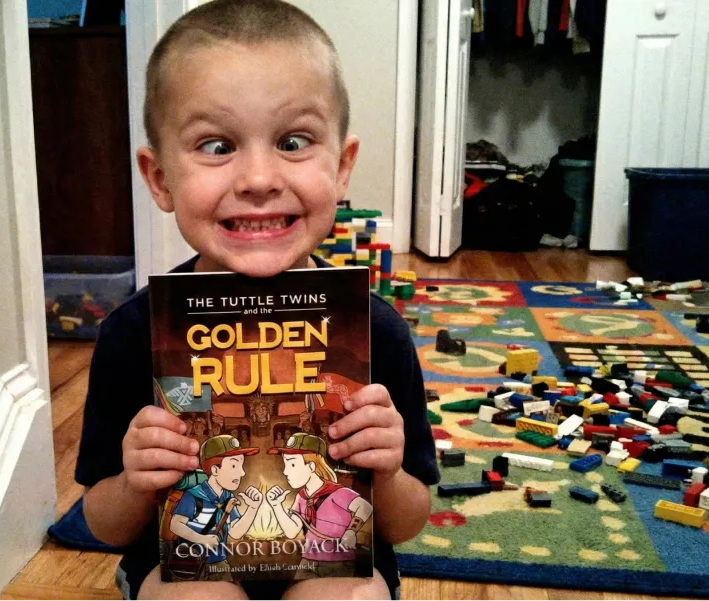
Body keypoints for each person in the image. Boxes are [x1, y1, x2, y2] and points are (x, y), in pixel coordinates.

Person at [74, 1, 440, 599]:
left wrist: (389, 470)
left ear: (342, 167)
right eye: (216, 146)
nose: (259, 178)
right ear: (161, 178)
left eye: (293, 141)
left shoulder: (376, 331)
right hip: (186, 567)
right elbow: (102, 524)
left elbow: (408, 522)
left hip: (335, 561)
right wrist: (137, 481)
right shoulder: (130, 333)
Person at [266, 433, 373, 578]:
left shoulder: (337, 493)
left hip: (338, 564)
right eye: (285, 464)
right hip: (308, 561)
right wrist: (276, 506)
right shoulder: (301, 497)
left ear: (311, 465)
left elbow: (365, 507)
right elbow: (292, 531)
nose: (285, 471)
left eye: (291, 464)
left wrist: (351, 531)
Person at [168, 435, 263, 580]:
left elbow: (236, 532)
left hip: (219, 564)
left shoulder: (228, 498)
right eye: (233, 466)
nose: (242, 472)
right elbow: (175, 524)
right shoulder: (194, 495)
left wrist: (252, 509)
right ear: (215, 470)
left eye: (241, 465)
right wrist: (201, 539)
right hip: (189, 566)